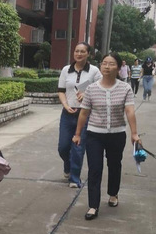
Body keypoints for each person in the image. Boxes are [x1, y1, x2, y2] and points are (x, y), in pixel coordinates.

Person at [72, 52, 140, 220]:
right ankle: (93, 205)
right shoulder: (91, 89)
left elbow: (130, 111)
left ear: (118, 67)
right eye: (104, 63)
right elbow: (84, 113)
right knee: (95, 168)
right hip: (94, 134)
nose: (107, 67)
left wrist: (134, 133)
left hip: (117, 135)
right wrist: (78, 134)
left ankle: (113, 194)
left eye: (111, 64)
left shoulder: (125, 88)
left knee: (114, 165)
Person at [57, 42, 102, 188]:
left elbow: (101, 89)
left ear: (88, 54)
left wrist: (87, 95)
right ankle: (68, 165)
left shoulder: (94, 71)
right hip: (67, 113)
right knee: (63, 147)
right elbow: (61, 91)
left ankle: (74, 178)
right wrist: (65, 105)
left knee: (78, 147)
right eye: (77, 51)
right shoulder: (66, 70)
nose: (79, 54)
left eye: (82, 51)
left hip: (85, 114)